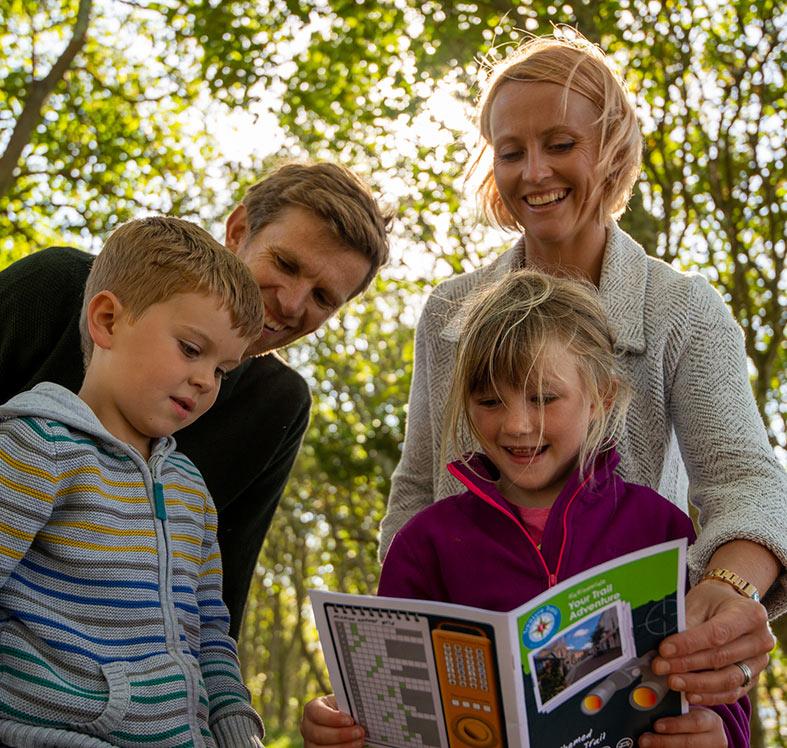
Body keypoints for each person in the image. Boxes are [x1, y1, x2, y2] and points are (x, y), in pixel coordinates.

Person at [378, 32, 784, 704]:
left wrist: (729, 587)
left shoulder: (681, 309)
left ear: (611, 147)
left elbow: (746, 481)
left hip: (630, 672)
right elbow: (417, 489)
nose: (532, 173)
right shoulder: (450, 313)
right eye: (510, 152)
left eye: (559, 145)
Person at [301, 271, 751, 747]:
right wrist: (339, 729)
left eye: (543, 398)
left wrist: (720, 735)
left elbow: (722, 686)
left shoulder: (661, 529)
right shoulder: (423, 543)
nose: (516, 425)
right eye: (490, 400)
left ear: (602, 397)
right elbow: (389, 706)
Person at [0, 161, 391, 639]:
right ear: (239, 229)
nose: (291, 303)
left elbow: (222, 592)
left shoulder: (278, 405)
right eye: (286, 264)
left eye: (324, 297)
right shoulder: (59, 287)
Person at [0, 217, 265, 746]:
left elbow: (210, 632)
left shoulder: (192, 490)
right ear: (107, 320)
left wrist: (236, 731)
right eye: (192, 349)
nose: (205, 381)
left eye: (222, 370)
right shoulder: (38, 448)